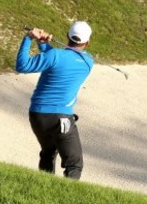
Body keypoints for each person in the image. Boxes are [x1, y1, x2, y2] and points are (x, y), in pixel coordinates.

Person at [15, 22, 94, 180]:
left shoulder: (54, 55)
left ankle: (44, 188)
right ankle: (67, 200)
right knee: (73, 164)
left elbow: (23, 65)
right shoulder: (88, 62)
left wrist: (30, 38)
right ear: (87, 42)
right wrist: (43, 45)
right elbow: (60, 59)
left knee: (48, 153)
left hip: (38, 116)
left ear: (67, 36)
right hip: (61, 118)